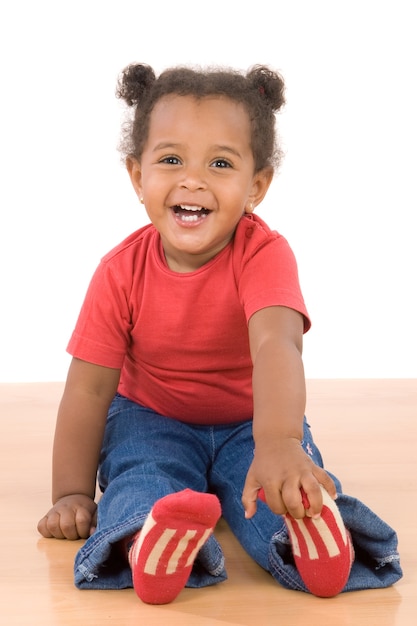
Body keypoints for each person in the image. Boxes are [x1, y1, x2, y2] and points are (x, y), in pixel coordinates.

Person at [37, 62, 402, 604]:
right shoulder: (119, 272)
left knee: (271, 486)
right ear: (138, 178)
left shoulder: (264, 254)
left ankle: (307, 537)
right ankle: (149, 539)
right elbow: (90, 389)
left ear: (256, 187)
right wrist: (70, 492)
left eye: (220, 163)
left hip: (251, 422)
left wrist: (277, 443)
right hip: (152, 416)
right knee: (143, 471)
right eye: (171, 160)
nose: (193, 179)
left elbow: (276, 343)